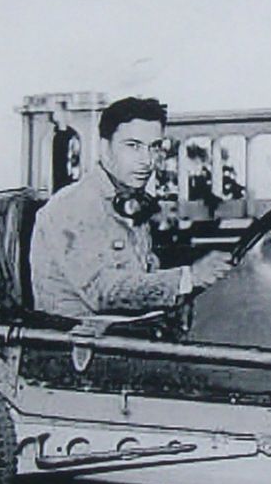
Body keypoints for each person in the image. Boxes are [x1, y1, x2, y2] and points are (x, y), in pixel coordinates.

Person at [30, 97, 233, 318]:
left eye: (154, 147)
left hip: (124, 332)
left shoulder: (129, 200)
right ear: (104, 148)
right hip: (81, 342)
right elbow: (103, 291)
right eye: (133, 146)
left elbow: (143, 274)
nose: (146, 161)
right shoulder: (74, 205)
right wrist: (188, 277)